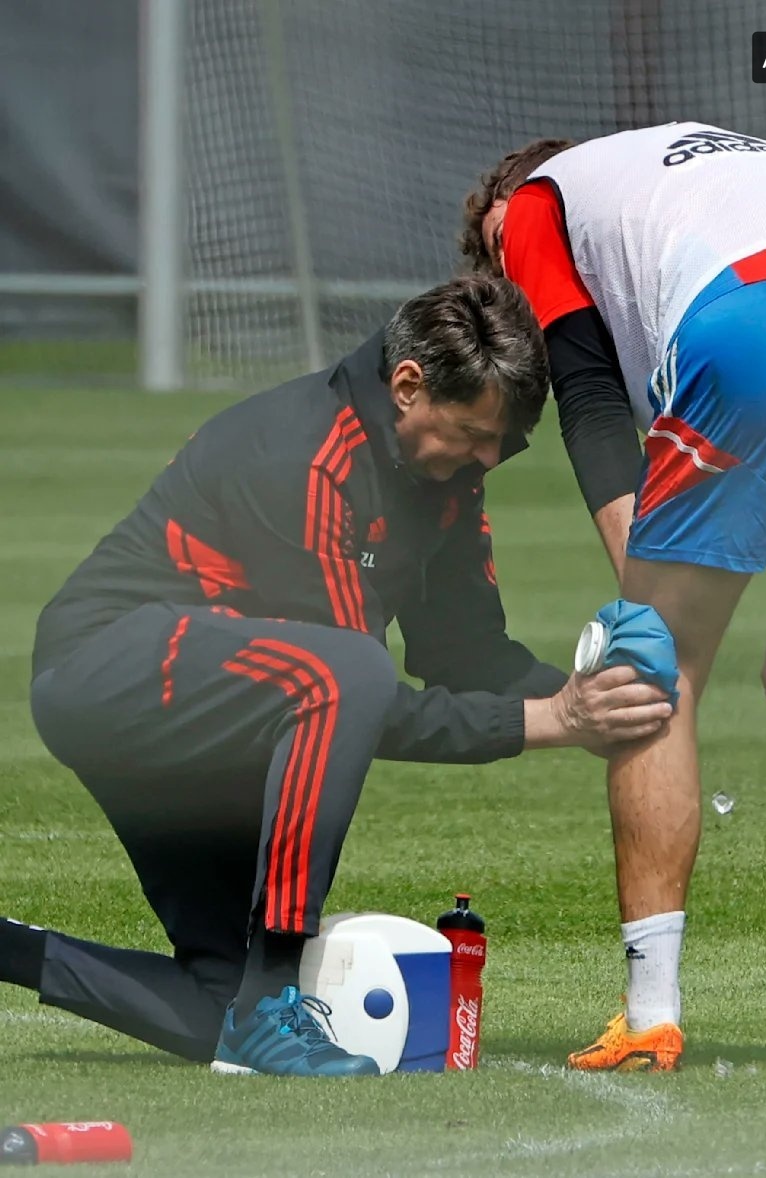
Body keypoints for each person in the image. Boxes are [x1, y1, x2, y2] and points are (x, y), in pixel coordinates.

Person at [0, 275, 672, 1078]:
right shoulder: (305, 459)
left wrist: (594, 703)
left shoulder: (445, 475)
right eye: (473, 433)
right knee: (347, 672)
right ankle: (274, 1001)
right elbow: (355, 698)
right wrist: (550, 721)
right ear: (407, 385)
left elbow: (466, 655)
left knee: (218, 1004)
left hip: (211, 708)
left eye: (504, 442)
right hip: (105, 672)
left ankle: (25, 955)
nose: (489, 458)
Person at [462, 124, 766, 1071]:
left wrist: (643, 605)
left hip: (753, 320)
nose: (503, 279)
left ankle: (652, 1015)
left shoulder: (532, 205)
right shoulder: (692, 164)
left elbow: (588, 395)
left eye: (495, 257)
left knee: (658, 673)